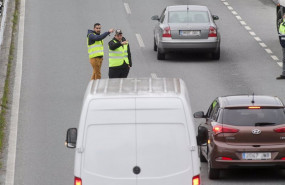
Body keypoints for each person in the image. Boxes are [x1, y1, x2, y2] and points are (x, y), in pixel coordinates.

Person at [277, 14, 285, 79]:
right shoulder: (282, 24)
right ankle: (284, 74)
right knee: (284, 59)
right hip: (284, 44)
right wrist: (281, 43)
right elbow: (280, 34)